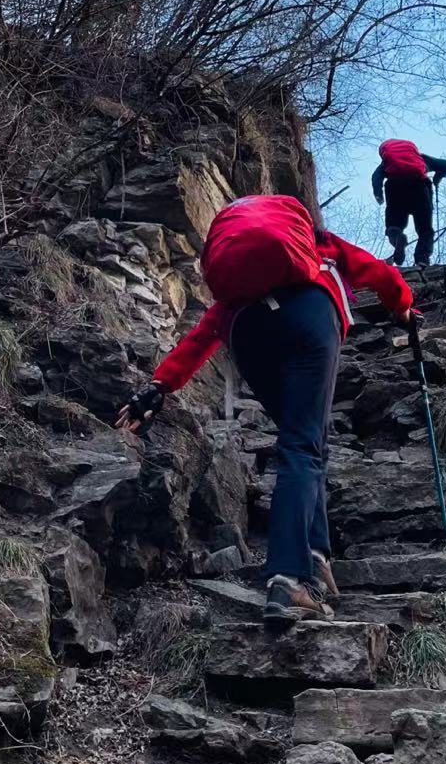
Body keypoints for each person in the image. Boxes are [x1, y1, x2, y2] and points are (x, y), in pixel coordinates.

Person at [116, 195, 413, 623]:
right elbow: (379, 272)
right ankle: (289, 577)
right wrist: (403, 307)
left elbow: (202, 335)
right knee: (303, 445)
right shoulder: (317, 243)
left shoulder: (237, 291)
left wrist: (158, 388)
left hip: (247, 332)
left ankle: (314, 553)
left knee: (305, 441)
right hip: (307, 314)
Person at [371, 138, 446, 267]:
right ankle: (422, 259)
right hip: (419, 188)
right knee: (425, 229)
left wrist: (378, 194)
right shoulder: (421, 159)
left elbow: (376, 177)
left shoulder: (386, 163)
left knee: (393, 225)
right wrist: (437, 178)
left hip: (395, 189)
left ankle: (398, 237)